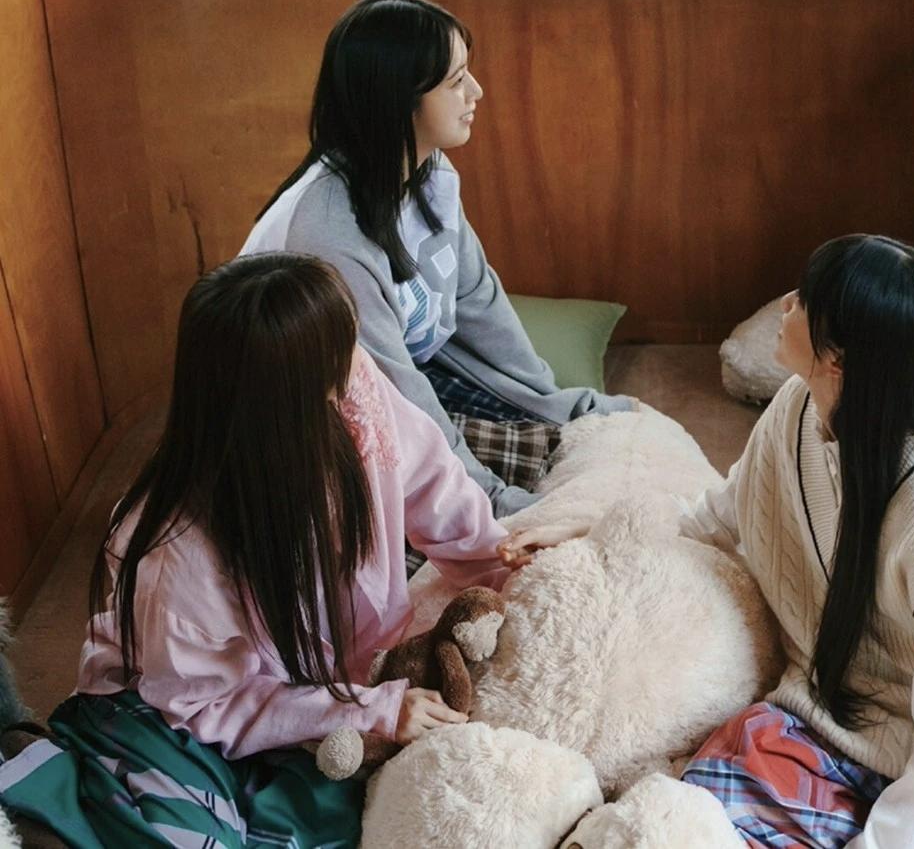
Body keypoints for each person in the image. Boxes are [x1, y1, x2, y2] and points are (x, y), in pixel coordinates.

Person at [508, 234, 914, 847]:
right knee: (709, 795)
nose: (785, 305)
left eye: (803, 300)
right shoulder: (797, 405)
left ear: (839, 356)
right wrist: (599, 531)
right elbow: (721, 514)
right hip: (851, 712)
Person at [0, 254, 528, 849]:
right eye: (338, 356)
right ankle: (42, 779)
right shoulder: (175, 547)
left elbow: (437, 486)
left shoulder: (356, 392)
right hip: (172, 712)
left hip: (309, 693)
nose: (358, 364)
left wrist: (505, 562)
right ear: (287, 398)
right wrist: (368, 711)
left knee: (349, 818)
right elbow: (204, 705)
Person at [243, 0, 631, 516]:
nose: (477, 91)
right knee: (501, 504)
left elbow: (477, 301)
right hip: (312, 426)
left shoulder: (430, 171)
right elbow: (390, 396)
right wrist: (490, 502)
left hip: (404, 385)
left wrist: (559, 403)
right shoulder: (326, 232)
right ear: (398, 98)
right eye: (456, 81)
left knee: (586, 439)